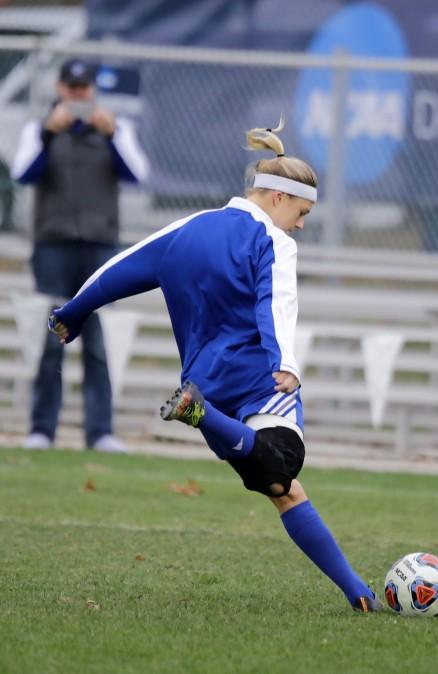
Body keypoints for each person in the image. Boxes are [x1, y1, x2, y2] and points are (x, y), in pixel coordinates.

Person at [46, 120, 381, 613]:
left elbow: (122, 268)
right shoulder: (273, 240)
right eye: (302, 212)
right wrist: (285, 361)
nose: (301, 225)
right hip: (258, 379)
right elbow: (277, 300)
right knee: (282, 464)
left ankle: (359, 592)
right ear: (276, 198)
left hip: (204, 386)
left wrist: (72, 312)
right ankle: (357, 589)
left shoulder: (190, 227)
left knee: (279, 487)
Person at [11, 57, 149, 453]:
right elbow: (23, 174)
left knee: (99, 341)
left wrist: (113, 134)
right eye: (71, 89)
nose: (77, 96)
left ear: (93, 91)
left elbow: (137, 174)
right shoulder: (38, 130)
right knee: (50, 338)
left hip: (100, 247)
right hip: (52, 245)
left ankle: (100, 430)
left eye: (83, 89)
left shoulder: (116, 128)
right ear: (59, 89)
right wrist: (46, 134)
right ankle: (42, 428)